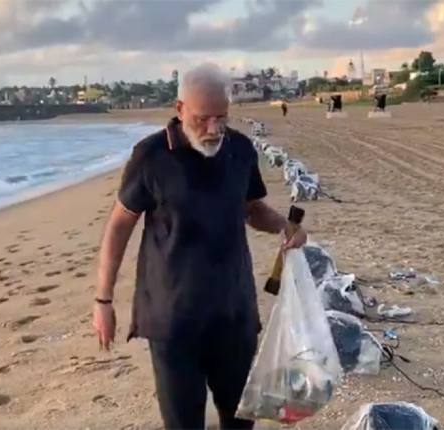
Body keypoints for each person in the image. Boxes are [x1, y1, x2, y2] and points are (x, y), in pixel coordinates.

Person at [92, 63, 307, 430]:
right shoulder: (151, 156)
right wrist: (103, 301)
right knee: (183, 422)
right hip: (172, 321)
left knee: (240, 418)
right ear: (179, 110)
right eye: (202, 118)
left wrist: (284, 227)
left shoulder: (239, 149)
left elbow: (251, 209)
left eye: (221, 117)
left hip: (233, 314)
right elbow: (119, 225)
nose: (213, 129)